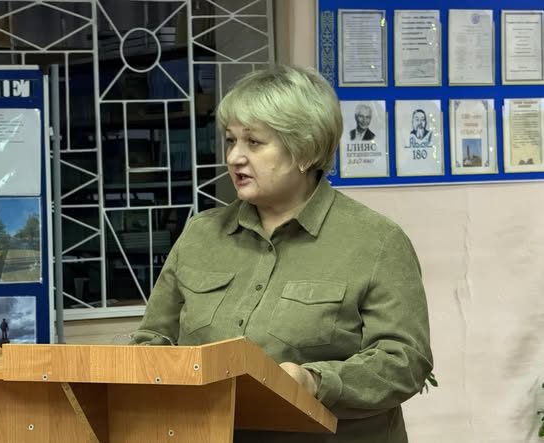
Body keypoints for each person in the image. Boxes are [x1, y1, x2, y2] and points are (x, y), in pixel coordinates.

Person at [131, 65, 433, 443]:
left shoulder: (377, 241)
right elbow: (153, 338)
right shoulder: (200, 234)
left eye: (254, 142)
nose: (234, 157)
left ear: (304, 149)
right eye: (230, 141)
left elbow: (404, 361)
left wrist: (315, 381)